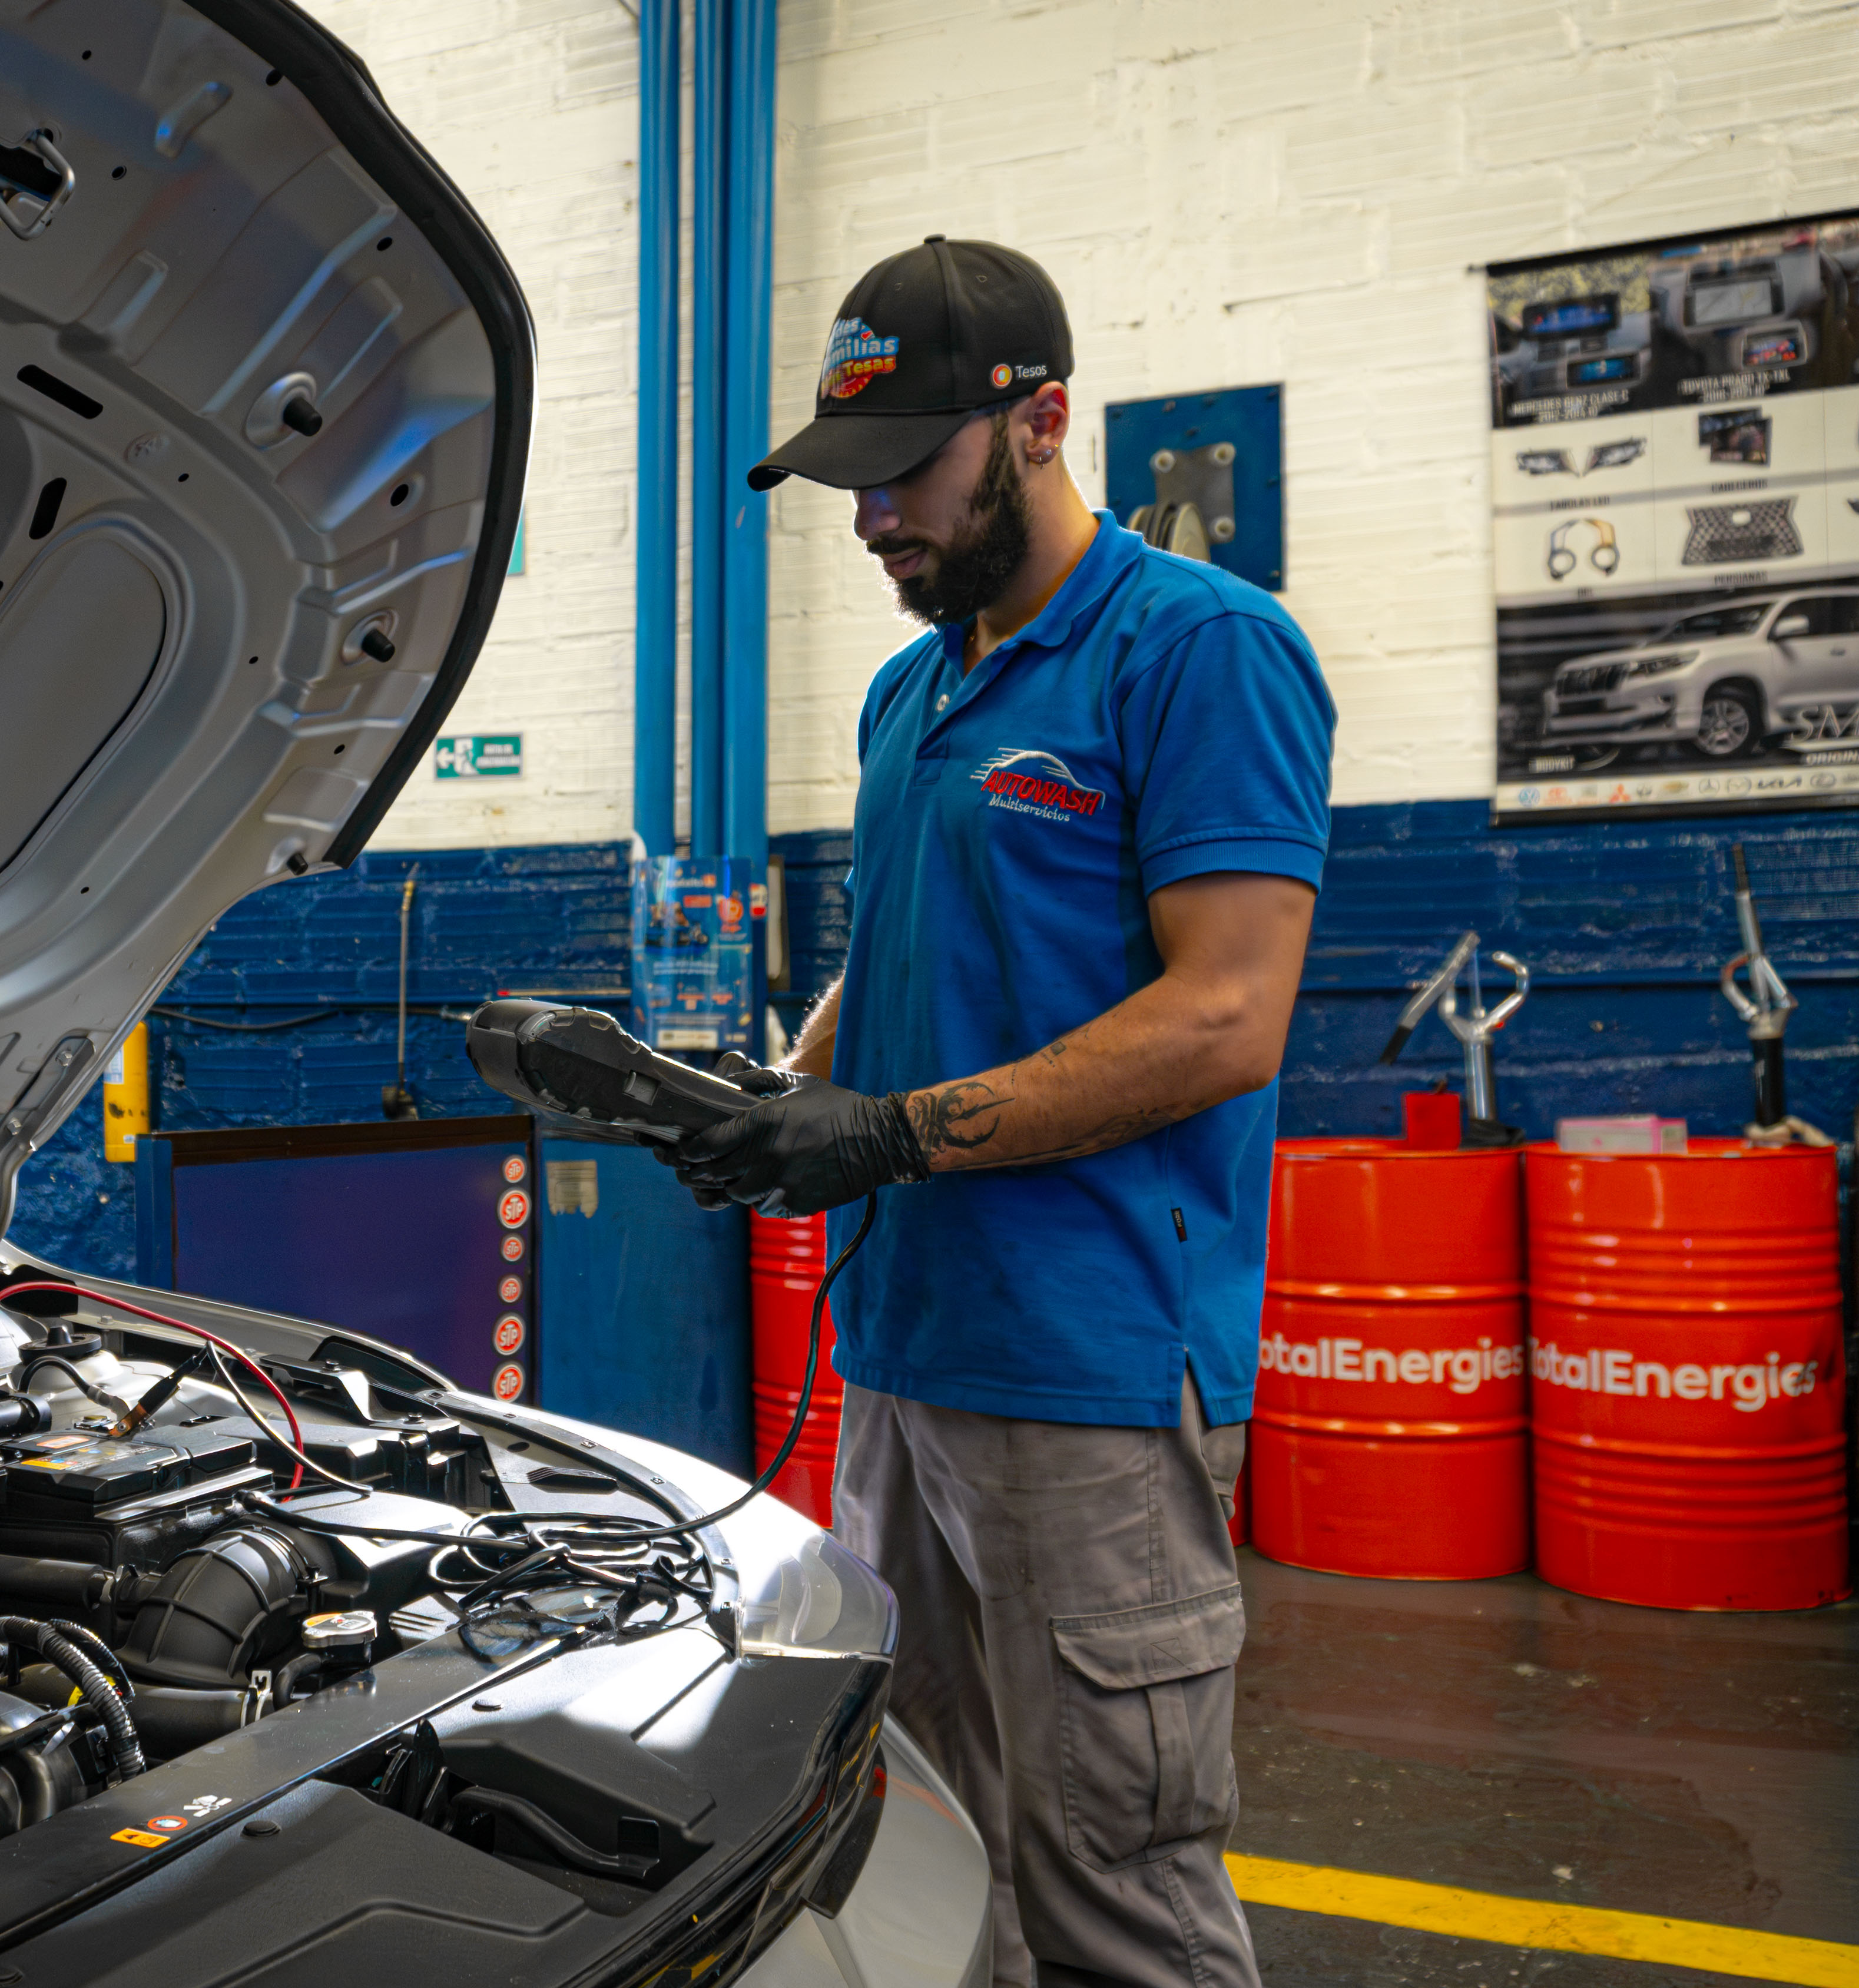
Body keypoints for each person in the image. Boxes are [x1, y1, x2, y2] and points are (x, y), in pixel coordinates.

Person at [657, 238, 1333, 1988]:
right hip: (902, 1355)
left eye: (906, 474)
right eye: (848, 481)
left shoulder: (1203, 652)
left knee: (1115, 1881)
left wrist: (883, 1138)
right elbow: (888, 965)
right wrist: (779, 1097)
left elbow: (1227, 1015)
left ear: (1041, 423)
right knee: (935, 1855)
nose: (872, 519)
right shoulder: (912, 690)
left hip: (1090, 1377)